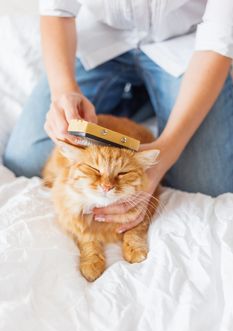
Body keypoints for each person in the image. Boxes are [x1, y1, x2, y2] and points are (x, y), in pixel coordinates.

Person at [3, 0, 233, 232]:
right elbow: (57, 10)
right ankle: (144, 100)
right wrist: (63, 91)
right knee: (28, 160)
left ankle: (155, 98)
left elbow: (217, 41)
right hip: (100, 39)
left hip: (188, 46)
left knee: (206, 184)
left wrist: (166, 152)